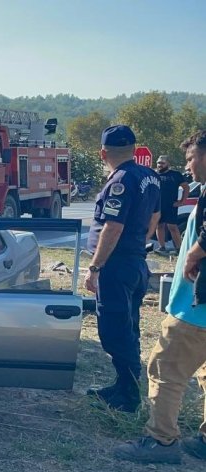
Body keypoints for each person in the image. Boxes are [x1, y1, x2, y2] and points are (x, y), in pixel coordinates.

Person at [113, 130, 206, 464]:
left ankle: (161, 442)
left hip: (195, 309)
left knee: (165, 368)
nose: (188, 165)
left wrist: (195, 253)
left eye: (191, 158)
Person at [84, 125, 161, 413]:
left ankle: (129, 396)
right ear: (134, 148)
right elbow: (156, 216)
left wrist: (95, 267)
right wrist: (139, 244)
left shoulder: (121, 180)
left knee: (114, 329)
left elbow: (112, 227)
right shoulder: (149, 176)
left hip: (116, 265)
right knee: (129, 326)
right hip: (136, 261)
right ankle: (123, 384)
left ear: (103, 152)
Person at [154, 154, 189, 254]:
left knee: (172, 227)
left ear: (168, 164)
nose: (160, 165)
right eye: (158, 163)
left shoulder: (175, 175)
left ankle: (179, 249)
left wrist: (182, 201)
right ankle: (162, 247)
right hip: (157, 205)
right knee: (159, 226)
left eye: (162, 163)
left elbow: (186, 187)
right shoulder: (154, 174)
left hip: (171, 206)